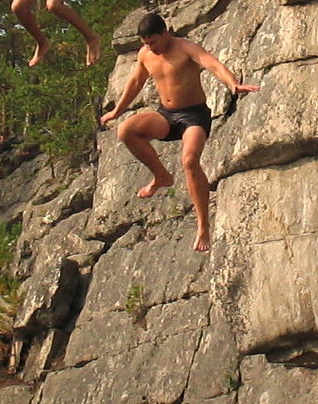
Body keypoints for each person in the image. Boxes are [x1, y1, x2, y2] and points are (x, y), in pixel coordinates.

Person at [99, 13, 259, 252]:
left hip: (194, 116)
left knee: (189, 161)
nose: (150, 48)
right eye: (145, 44)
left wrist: (232, 83)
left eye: (153, 42)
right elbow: (135, 83)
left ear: (165, 33)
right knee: (126, 130)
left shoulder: (186, 48)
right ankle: (162, 177)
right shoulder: (146, 54)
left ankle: (203, 226)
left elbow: (212, 64)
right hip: (166, 114)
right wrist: (117, 111)